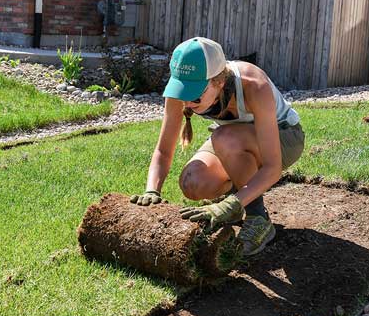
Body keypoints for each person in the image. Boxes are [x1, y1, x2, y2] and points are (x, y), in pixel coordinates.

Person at [130, 37, 304, 256]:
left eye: (194, 95)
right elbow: (164, 150)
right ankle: (239, 200)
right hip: (233, 140)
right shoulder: (182, 91)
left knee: (225, 137)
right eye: (182, 91)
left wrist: (230, 203)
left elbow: (272, 167)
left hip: (284, 138)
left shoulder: (253, 85)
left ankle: (258, 218)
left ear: (218, 81)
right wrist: (152, 190)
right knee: (193, 182)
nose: (186, 102)